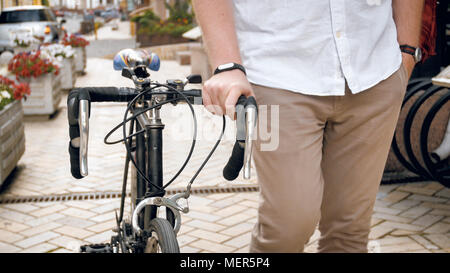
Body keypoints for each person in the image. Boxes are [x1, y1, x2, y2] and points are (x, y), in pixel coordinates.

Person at [192, 0, 425, 252]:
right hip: (275, 73)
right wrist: (227, 65)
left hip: (374, 68)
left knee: (349, 231)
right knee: (287, 226)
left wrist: (407, 50)